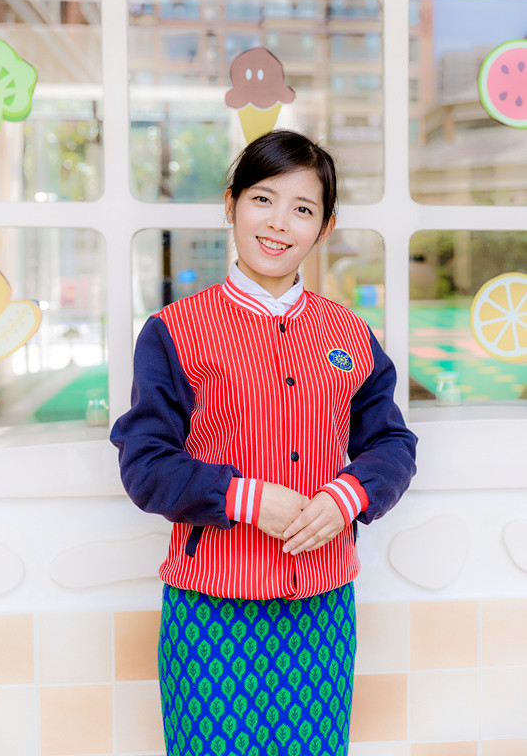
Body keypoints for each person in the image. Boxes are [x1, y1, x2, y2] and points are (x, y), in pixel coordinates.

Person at [111, 130, 417, 756]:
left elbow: (392, 442)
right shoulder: (174, 331)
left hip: (322, 607)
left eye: (302, 208)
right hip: (210, 609)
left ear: (324, 227)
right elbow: (146, 464)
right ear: (231, 204)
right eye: (262, 199)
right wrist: (247, 499)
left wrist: (349, 496)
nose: (279, 223)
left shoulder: (351, 334)